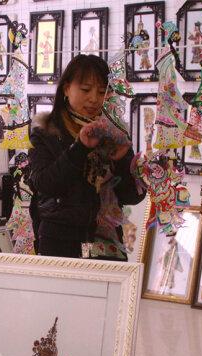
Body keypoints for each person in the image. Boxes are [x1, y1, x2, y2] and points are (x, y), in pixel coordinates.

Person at [27, 54, 146, 260]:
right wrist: (80, 147)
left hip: (107, 243)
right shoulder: (46, 131)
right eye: (85, 89)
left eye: (102, 92)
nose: (94, 99)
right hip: (62, 242)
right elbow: (44, 184)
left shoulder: (113, 132)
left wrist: (122, 161)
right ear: (66, 88)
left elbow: (133, 197)